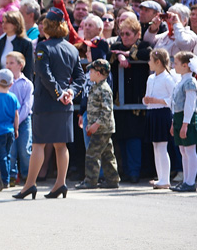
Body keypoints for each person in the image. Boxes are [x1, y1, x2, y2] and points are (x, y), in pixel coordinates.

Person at [14, 7, 85, 200]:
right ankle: (60, 183)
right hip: (65, 103)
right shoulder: (71, 48)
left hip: (47, 103)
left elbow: (44, 74)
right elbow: (80, 77)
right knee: (61, 146)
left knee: (38, 144)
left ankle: (29, 185)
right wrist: (70, 92)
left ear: (48, 27)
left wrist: (59, 93)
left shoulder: (43, 47)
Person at [109, 17, 152, 183]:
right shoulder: (116, 46)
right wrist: (120, 56)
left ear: (137, 34)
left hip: (136, 99)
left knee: (134, 137)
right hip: (119, 100)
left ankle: (134, 172)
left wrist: (128, 55)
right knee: (121, 137)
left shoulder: (143, 46)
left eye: (128, 34)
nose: (124, 37)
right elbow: (109, 55)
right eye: (122, 34)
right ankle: (126, 171)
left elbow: (148, 54)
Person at [75, 59, 119, 190]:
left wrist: (96, 125)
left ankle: (90, 181)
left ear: (99, 73)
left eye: (92, 71)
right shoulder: (96, 87)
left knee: (92, 154)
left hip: (102, 128)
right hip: (102, 128)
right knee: (107, 154)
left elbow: (106, 110)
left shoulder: (104, 89)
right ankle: (112, 180)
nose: (89, 73)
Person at [143, 48, 176, 190]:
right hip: (152, 113)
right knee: (155, 146)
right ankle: (160, 177)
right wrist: (146, 100)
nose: (148, 62)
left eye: (151, 60)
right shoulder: (151, 78)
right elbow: (147, 97)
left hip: (163, 113)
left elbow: (173, 99)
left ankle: (165, 179)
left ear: (158, 62)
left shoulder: (168, 78)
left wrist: (158, 100)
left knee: (162, 147)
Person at [169, 51, 197, 192]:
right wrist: (173, 122)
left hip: (187, 118)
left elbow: (190, 105)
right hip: (179, 118)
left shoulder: (190, 82)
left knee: (189, 150)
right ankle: (186, 181)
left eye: (176, 63)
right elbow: (175, 104)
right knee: (183, 150)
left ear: (185, 65)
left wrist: (185, 124)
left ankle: (190, 182)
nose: (173, 66)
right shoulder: (180, 81)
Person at [5, 52, 33, 185]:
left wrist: (17, 122)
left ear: (20, 65)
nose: (8, 66)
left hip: (24, 120)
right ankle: (11, 175)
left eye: (11, 63)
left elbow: (27, 105)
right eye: (7, 63)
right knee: (11, 150)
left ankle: (28, 175)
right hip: (9, 120)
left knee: (25, 149)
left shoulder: (27, 83)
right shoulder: (5, 83)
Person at [0, 10, 34, 81]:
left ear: (16, 24)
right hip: (1, 83)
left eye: (8, 22)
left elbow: (29, 70)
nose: (4, 24)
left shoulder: (26, 43)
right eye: (3, 22)